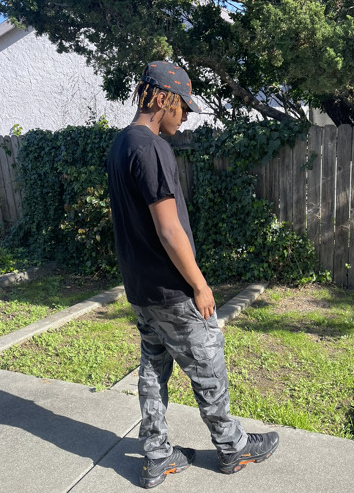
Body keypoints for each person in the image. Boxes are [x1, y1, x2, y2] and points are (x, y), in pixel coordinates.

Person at [107, 60, 279, 489]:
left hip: (141, 289)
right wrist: (200, 285)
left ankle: (156, 455)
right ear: (163, 98)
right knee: (208, 365)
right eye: (182, 107)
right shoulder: (151, 148)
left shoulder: (120, 145)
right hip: (171, 290)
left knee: (153, 368)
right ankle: (233, 447)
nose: (183, 118)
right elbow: (169, 229)